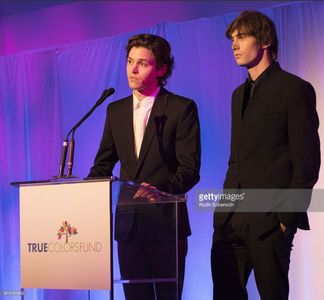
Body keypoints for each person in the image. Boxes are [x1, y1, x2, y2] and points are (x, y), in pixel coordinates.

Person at [211, 11, 320, 300]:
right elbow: (236, 158)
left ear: (265, 41)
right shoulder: (238, 95)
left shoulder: (294, 89)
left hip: (270, 221)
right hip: (231, 220)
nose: (234, 45)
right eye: (232, 39)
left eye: (242, 37)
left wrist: (285, 218)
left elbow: (307, 162)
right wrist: (222, 213)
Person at [88, 33, 201, 300]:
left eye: (143, 63)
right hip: (129, 227)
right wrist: (78, 193)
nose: (133, 69)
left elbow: (190, 167)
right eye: (129, 61)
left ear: (161, 69)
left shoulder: (180, 108)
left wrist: (159, 190)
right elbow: (103, 165)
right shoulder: (115, 110)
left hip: (165, 224)